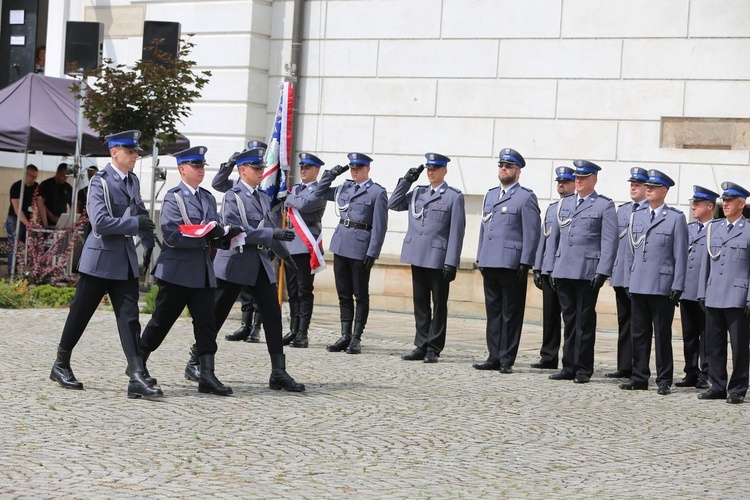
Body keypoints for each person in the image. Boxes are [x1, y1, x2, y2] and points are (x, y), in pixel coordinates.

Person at [49, 130, 160, 399]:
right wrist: (135, 224)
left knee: (129, 318)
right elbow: (99, 222)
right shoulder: (100, 182)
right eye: (130, 152)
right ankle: (61, 364)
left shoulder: (132, 180)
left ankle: (135, 374)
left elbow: (140, 213)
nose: (135, 156)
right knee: (80, 313)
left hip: (124, 261)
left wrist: (149, 243)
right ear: (114, 152)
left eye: (136, 152)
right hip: (99, 260)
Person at [139, 146, 241, 396]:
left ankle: (207, 375)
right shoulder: (174, 198)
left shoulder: (207, 198)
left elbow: (213, 230)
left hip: (202, 272)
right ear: (182, 169)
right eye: (195, 166)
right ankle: (138, 365)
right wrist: (206, 234)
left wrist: (225, 236)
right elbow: (174, 235)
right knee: (161, 322)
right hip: (177, 272)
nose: (200, 171)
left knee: (206, 325)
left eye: (202, 166)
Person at [211, 147, 305, 392]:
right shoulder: (232, 196)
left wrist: (287, 257)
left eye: (262, 168)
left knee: (273, 315)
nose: (261, 172)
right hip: (235, 261)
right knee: (216, 315)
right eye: (256, 168)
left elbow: (271, 231)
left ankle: (278, 371)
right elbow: (235, 229)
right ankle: (197, 360)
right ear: (242, 170)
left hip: (260, 263)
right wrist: (271, 233)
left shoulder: (263, 197)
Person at [389, 153, 466, 363]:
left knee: (439, 303)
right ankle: (421, 344)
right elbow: (393, 203)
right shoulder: (417, 193)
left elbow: (456, 232)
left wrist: (451, 262)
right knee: (420, 302)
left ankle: (434, 347)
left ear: (444, 171)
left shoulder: (453, 196)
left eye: (435, 169)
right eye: (429, 169)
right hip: (417, 254)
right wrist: (406, 181)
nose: (431, 172)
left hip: (438, 257)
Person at [547, 160, 618, 384]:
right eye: (577, 177)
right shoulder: (564, 204)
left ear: (594, 180)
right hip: (564, 269)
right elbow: (554, 239)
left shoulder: (603, 205)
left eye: (583, 178)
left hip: (587, 271)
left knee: (584, 321)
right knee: (568, 320)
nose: (578, 181)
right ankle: (568, 366)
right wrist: (550, 267)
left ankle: (583, 368)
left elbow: (609, 241)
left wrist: (603, 271)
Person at [472, 148, 540, 373]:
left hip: (511, 263)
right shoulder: (491, 195)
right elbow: (484, 227)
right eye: (501, 165)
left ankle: (506, 359)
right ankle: (493, 355)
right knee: (493, 313)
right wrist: (480, 255)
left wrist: (526, 262)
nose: (504, 169)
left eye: (509, 166)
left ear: (517, 172)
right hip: (490, 260)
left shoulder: (525, 197)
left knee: (511, 313)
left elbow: (532, 232)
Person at [620, 170, 688, 395]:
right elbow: (631, 252)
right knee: (638, 333)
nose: (647, 189)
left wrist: (678, 285)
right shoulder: (636, 216)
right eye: (646, 186)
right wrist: (629, 280)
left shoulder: (675, 218)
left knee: (662, 335)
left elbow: (680, 255)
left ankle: (664, 379)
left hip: (662, 285)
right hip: (639, 283)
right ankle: (639, 377)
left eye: (653, 186)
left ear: (664, 191)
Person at [314, 153, 388, 354]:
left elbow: (380, 226)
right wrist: (330, 175)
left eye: (359, 168)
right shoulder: (344, 188)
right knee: (343, 293)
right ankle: (345, 334)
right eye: (352, 168)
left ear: (367, 169)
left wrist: (373, 252)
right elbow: (319, 192)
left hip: (360, 248)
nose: (355, 171)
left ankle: (356, 337)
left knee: (360, 294)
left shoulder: (377, 193)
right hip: (341, 245)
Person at [697, 182, 750, 404]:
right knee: (714, 344)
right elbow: (705, 264)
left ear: (742, 204)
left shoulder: (748, 229)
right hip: (714, 294)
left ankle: (737, 388)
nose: (725, 204)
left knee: (739, 346)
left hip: (738, 296)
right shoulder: (714, 228)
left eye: (730, 201)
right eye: (724, 201)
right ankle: (717, 385)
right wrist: (702, 292)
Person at [213, 140, 267, 344]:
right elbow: (218, 184)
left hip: (261, 241)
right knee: (234, 296)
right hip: (239, 248)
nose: (260, 170)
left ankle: (256, 328)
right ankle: (245, 324)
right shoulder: (237, 187)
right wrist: (230, 163)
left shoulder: (266, 180)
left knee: (264, 298)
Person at [604, 167, 648, 380]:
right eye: (631, 184)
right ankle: (624, 365)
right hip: (621, 274)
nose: (633, 187)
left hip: (639, 278)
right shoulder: (622, 211)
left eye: (637, 184)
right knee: (624, 321)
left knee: (640, 324)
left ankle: (639, 367)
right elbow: (613, 243)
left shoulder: (650, 212)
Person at [282, 152, 328, 348]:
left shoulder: (318, 190)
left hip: (306, 246)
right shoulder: (295, 189)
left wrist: (288, 196)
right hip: (290, 245)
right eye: (301, 167)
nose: (303, 170)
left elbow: (304, 204)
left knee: (304, 290)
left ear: (317, 171)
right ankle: (293, 329)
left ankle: (303, 333)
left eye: (307, 168)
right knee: (292, 290)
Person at [532, 166, 575, 370]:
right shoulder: (551, 208)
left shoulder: (576, 207)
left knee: (570, 317)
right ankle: (548, 356)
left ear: (574, 184)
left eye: (565, 182)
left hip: (566, 269)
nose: (561, 185)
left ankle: (570, 358)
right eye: (559, 182)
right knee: (549, 315)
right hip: (549, 268)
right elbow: (544, 239)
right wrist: (538, 267)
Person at [676, 185, 718, 389]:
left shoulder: (716, 229)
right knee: (689, 334)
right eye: (693, 203)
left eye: (698, 203)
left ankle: (706, 373)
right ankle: (690, 371)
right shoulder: (689, 228)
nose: (694, 207)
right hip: (687, 290)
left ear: (710, 206)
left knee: (706, 335)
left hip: (705, 291)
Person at [5, 164, 39, 275]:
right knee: (14, 247)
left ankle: (27, 273)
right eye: (32, 176)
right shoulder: (16, 186)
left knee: (30, 248)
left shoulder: (36, 187)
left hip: (27, 220)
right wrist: (28, 224)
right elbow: (17, 210)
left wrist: (34, 221)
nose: (34, 179)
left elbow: (36, 205)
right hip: (15, 219)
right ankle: (12, 274)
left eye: (35, 177)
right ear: (25, 174)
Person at [38, 163, 73, 227]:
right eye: (63, 175)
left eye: (67, 176)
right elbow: (40, 203)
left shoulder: (68, 187)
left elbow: (72, 205)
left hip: (62, 222)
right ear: (58, 172)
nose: (65, 178)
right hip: (46, 221)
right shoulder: (45, 185)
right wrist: (51, 216)